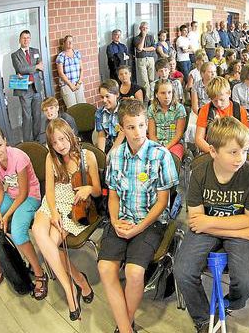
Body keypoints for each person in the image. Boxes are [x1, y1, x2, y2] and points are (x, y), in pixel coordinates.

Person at [174, 117, 249, 333]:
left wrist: (211, 222)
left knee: (245, 281)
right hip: (233, 230)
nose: (240, 158)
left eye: (243, 151)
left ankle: (229, 303)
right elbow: (196, 222)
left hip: (228, 227)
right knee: (182, 271)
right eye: (233, 152)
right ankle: (203, 319)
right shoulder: (199, 173)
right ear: (213, 151)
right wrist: (241, 231)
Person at [98, 99, 178, 333]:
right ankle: (126, 327)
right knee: (105, 268)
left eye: (142, 125)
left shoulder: (160, 155)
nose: (138, 132)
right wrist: (114, 221)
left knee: (134, 272)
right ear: (121, 129)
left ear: (147, 124)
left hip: (150, 222)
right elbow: (112, 197)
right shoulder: (115, 156)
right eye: (131, 127)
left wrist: (137, 228)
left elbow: (162, 203)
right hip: (121, 217)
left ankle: (123, 326)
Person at [31, 118, 101, 320]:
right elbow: (50, 191)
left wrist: (89, 188)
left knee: (51, 244)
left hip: (73, 206)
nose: (60, 145)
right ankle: (72, 287)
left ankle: (78, 281)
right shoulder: (50, 158)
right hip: (53, 204)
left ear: (70, 135)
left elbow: (97, 191)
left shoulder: (87, 156)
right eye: (54, 142)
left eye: (62, 139)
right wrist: (53, 214)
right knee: (38, 230)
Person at [0, 126, 47, 299]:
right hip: (11, 195)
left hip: (30, 196)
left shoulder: (18, 157)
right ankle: (0, 264)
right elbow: (0, 190)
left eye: (0, 145)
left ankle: (39, 273)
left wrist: (6, 216)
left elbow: (23, 193)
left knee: (17, 231)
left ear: (5, 142)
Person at [195, 77, 249, 153]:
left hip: (235, 150)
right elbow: (199, 139)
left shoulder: (239, 111)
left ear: (229, 93)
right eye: (215, 101)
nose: (219, 104)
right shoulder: (205, 110)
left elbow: (246, 138)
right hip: (211, 149)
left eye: (222, 100)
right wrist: (214, 153)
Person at [11, 29, 45, 142]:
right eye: (24, 38)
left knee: (37, 116)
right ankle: (27, 142)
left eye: (28, 38)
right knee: (27, 117)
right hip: (25, 90)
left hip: (36, 88)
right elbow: (20, 68)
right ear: (20, 40)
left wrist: (29, 70)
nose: (26, 40)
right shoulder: (15, 55)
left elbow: (41, 67)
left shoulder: (35, 51)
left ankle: (37, 140)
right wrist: (35, 67)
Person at [148, 79, 187, 160]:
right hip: (156, 143)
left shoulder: (179, 108)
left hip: (175, 144)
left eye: (169, 92)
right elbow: (152, 134)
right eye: (163, 93)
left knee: (172, 158)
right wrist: (159, 146)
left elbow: (178, 135)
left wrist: (166, 148)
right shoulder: (152, 109)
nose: (167, 96)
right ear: (156, 94)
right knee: (150, 157)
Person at [95, 79, 124, 153]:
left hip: (123, 146)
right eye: (102, 97)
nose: (104, 100)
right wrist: (101, 155)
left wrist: (109, 155)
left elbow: (122, 135)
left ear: (117, 94)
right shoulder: (99, 113)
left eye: (107, 96)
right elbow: (101, 136)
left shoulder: (124, 111)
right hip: (109, 145)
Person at [56, 35, 85, 108]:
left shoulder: (77, 53)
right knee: (73, 108)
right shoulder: (61, 56)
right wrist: (71, 85)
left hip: (78, 84)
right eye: (68, 41)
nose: (70, 43)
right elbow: (61, 73)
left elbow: (81, 69)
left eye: (71, 41)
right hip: (67, 86)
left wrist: (79, 82)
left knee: (83, 107)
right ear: (64, 43)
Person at [133, 22, 157, 94]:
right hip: (141, 60)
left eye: (146, 28)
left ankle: (152, 97)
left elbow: (153, 48)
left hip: (150, 59)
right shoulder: (136, 38)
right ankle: (147, 99)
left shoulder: (151, 37)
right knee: (144, 81)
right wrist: (143, 37)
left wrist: (144, 49)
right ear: (140, 28)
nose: (145, 29)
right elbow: (139, 48)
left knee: (152, 79)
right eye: (143, 27)